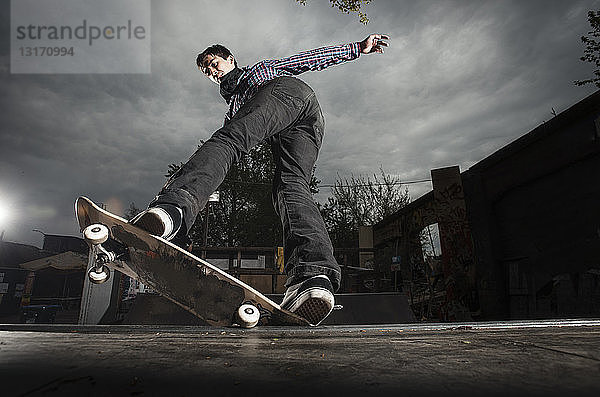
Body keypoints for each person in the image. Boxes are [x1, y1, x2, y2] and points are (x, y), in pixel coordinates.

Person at [131, 34, 389, 325]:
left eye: (214, 64)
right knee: (290, 186)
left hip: (286, 92)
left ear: (231, 59)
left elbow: (306, 60)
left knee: (229, 140)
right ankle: (312, 277)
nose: (213, 72)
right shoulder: (235, 108)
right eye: (207, 71)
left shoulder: (258, 72)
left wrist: (356, 48)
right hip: (307, 122)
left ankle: (173, 209)